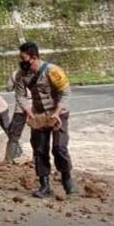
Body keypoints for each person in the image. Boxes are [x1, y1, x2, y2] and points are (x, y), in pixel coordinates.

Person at [19, 41, 77, 197]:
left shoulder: (53, 71)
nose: (21, 61)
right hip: (39, 114)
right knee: (39, 149)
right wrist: (27, 111)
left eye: (23, 58)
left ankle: (68, 181)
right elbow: (20, 95)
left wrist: (57, 112)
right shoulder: (22, 74)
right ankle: (45, 186)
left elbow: (65, 93)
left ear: (33, 57)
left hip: (58, 113)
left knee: (59, 147)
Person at [4, 67, 34, 164]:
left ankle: (9, 159)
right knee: (37, 134)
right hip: (35, 106)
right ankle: (37, 159)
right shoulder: (39, 71)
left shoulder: (16, 73)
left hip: (20, 107)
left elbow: (8, 88)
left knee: (14, 134)